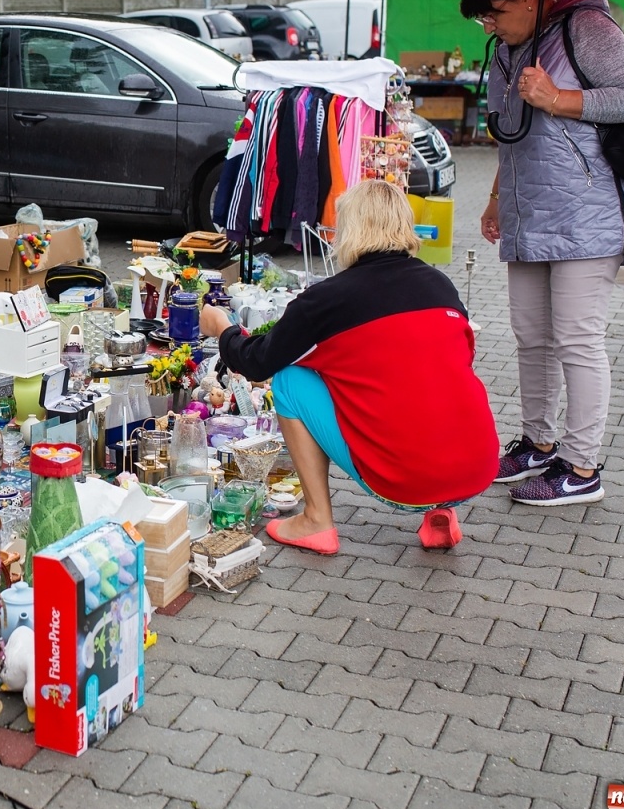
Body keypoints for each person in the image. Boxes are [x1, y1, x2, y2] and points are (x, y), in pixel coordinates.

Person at [200, 180, 497, 553]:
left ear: (349, 229)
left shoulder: (328, 300)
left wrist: (222, 328)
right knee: (432, 380)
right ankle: (442, 511)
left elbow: (256, 363)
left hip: (399, 481)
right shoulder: (440, 285)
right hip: (476, 469)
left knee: (290, 379)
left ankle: (316, 520)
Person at [466, 0, 624, 506]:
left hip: (585, 213)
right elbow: (509, 129)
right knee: (531, 336)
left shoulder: (588, 27)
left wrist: (558, 97)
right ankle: (539, 442)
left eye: (494, 12)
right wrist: (497, 196)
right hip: (528, 211)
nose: (489, 25)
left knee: (577, 338)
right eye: (482, 19)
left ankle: (581, 465)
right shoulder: (505, 48)